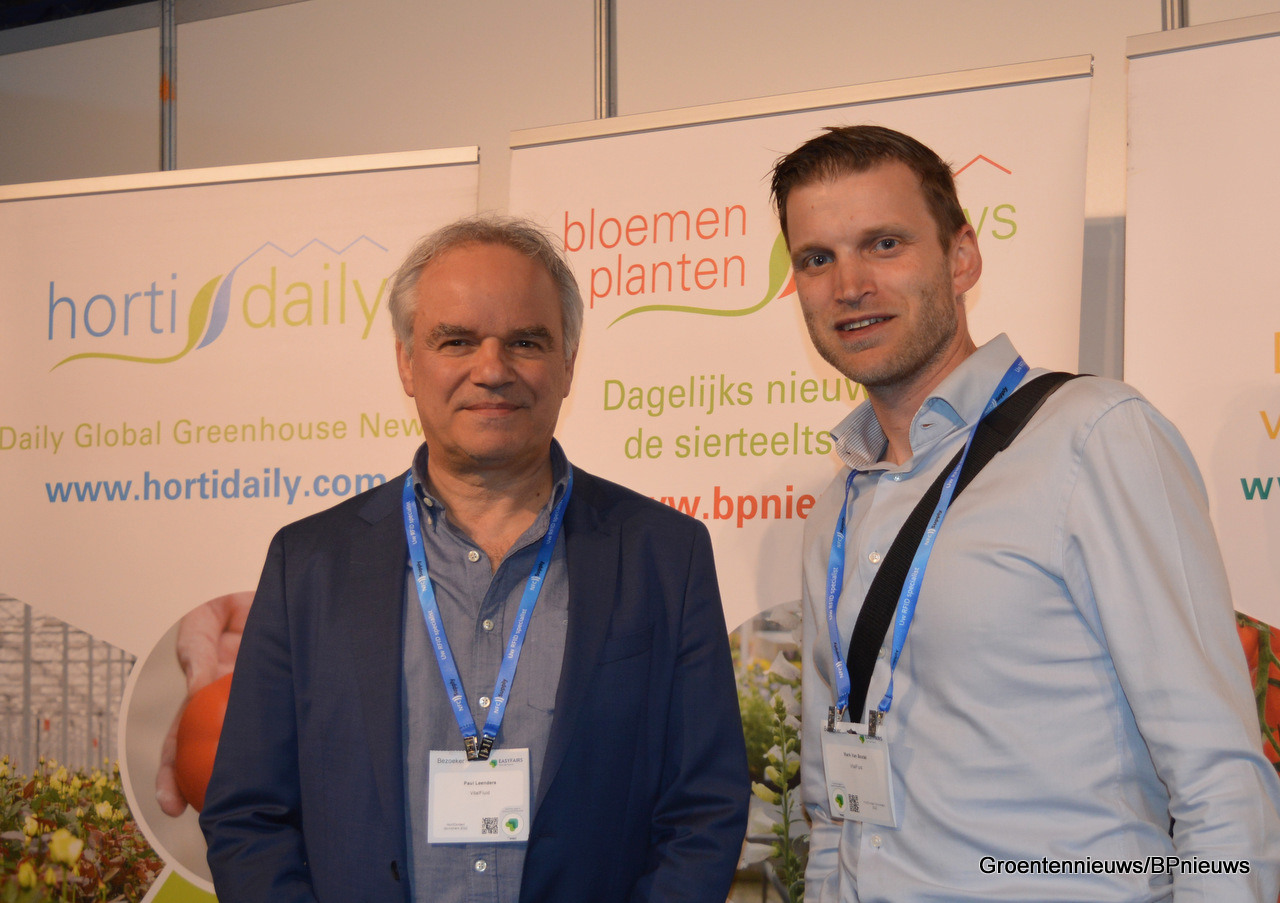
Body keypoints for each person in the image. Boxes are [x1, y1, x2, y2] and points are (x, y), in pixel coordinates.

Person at [771, 125, 1280, 902]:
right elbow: (836, 815)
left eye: (884, 244)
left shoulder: (1093, 437)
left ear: (962, 258)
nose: (849, 284)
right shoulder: (839, 507)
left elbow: (1221, 780)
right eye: (817, 258)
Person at [199, 215, 749, 903]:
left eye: (526, 342)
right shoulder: (308, 564)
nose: (491, 370)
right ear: (407, 362)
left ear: (569, 363)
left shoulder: (665, 555)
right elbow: (248, 817)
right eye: (456, 340)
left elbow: (705, 809)